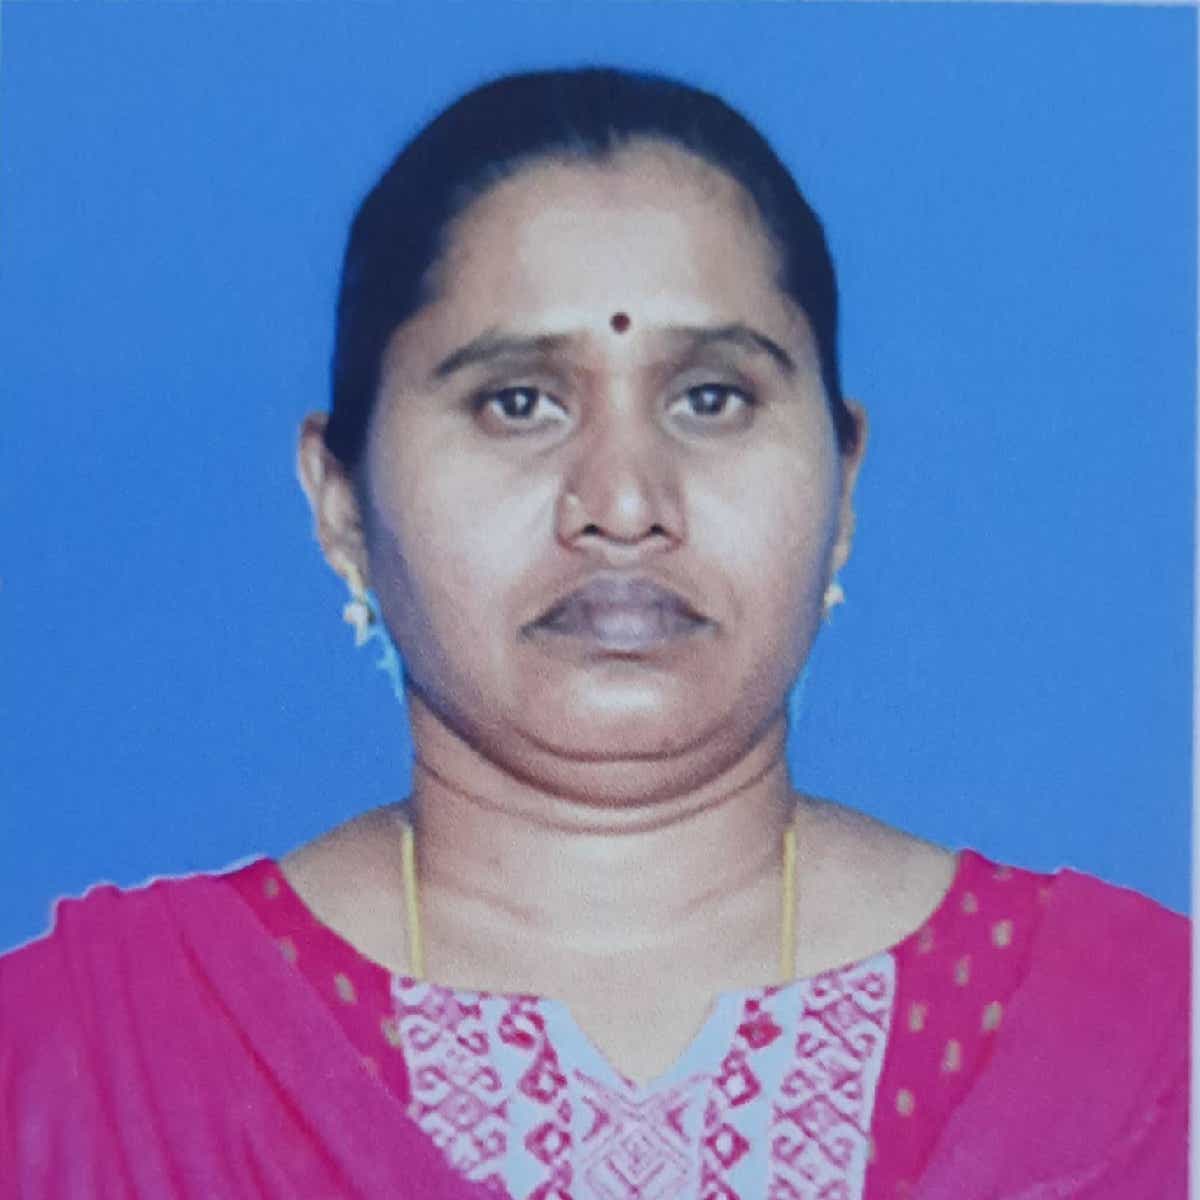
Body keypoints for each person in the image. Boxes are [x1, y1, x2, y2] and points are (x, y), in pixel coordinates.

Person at [0, 67, 1188, 1200]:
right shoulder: (73, 1071)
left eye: (712, 398)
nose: (623, 503)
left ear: (845, 482)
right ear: (341, 500)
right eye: (517, 402)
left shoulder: (1144, 1045)